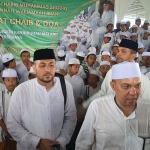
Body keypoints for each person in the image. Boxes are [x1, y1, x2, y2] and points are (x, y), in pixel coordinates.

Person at [7, 49, 77, 150]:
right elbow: (12, 124)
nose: (47, 69)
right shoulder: (21, 91)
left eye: (51, 65)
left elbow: (70, 118)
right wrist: (36, 142)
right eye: (42, 65)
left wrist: (61, 141)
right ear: (34, 67)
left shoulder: (65, 87)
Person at [76, 62, 150, 150]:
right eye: (126, 86)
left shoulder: (147, 109)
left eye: (137, 86)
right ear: (113, 86)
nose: (133, 92)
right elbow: (82, 145)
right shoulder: (97, 107)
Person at [78, 39, 150, 119]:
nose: (118, 54)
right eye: (118, 50)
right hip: (107, 118)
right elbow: (102, 93)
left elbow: (146, 106)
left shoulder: (143, 80)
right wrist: (85, 106)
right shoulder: (111, 73)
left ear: (132, 56)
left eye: (123, 51)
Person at [0, 69, 18, 150]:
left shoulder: (21, 94)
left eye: (13, 79)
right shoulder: (1, 95)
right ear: (3, 81)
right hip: (4, 131)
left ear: (17, 80)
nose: (11, 82)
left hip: (19, 132)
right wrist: (6, 131)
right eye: (7, 80)